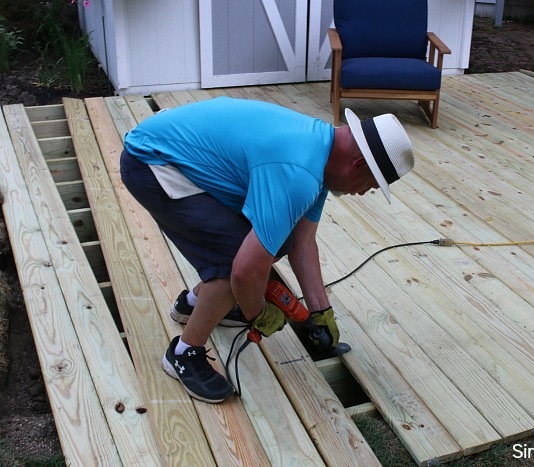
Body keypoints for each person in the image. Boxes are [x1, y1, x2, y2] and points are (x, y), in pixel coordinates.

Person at [120, 97, 415, 403]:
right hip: (152, 161)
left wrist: (320, 312)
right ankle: (184, 353)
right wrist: (257, 312)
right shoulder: (299, 172)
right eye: (371, 183)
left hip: (179, 152)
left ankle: (193, 303)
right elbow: (245, 270)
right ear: (358, 164)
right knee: (232, 264)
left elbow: (302, 243)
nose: (363, 192)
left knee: (279, 240)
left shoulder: (321, 152)